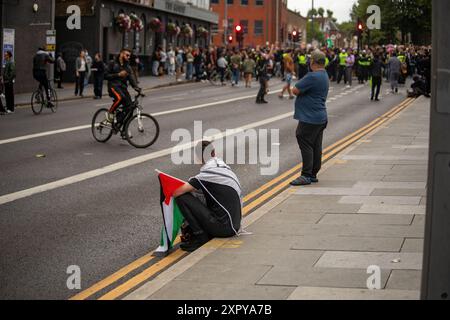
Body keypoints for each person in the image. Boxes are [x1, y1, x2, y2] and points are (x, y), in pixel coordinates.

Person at [173, 141, 242, 252]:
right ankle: (201, 233)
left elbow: (176, 192)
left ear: (198, 158)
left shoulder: (206, 175)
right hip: (234, 226)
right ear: (214, 153)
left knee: (182, 197)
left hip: (224, 229)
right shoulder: (223, 167)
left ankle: (200, 237)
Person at [290, 50, 329, 186]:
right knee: (316, 145)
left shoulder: (312, 76)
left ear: (313, 62)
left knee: (304, 140)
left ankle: (306, 174)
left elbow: (295, 90)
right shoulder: (324, 74)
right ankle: (313, 173)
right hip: (320, 117)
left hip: (310, 117)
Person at [104, 48, 142, 137]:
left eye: (129, 56)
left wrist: (137, 88)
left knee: (130, 108)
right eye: (127, 55)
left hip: (123, 88)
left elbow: (132, 78)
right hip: (113, 86)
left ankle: (124, 130)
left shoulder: (127, 67)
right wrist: (118, 75)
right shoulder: (112, 63)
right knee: (119, 98)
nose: (128, 57)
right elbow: (105, 75)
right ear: (121, 54)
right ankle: (109, 115)